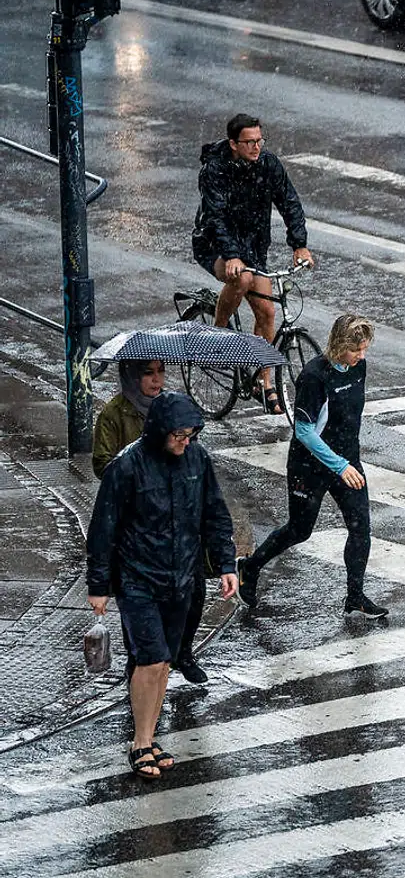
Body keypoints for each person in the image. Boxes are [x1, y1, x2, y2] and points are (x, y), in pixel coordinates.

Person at [87, 393, 238, 781]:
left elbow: (214, 513)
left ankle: (149, 736)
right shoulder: (127, 467)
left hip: (181, 576)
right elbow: (103, 528)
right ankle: (140, 742)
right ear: (160, 431)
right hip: (137, 579)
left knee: (164, 659)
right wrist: (99, 585)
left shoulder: (197, 459)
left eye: (190, 434)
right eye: (179, 435)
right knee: (151, 658)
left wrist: (226, 564)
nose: (185, 441)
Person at [238, 315, 386, 619]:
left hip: (347, 461)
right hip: (310, 465)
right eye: (356, 350)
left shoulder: (359, 367)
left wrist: (347, 461)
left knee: (361, 528)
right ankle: (249, 567)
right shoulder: (314, 377)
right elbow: (304, 432)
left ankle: (355, 596)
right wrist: (339, 465)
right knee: (299, 530)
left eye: (364, 349)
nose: (362, 356)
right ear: (339, 345)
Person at [91, 362, 211, 685]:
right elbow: (101, 463)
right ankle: (141, 665)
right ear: (132, 376)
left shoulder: (174, 411)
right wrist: (137, 467)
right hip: (139, 528)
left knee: (193, 593)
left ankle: (182, 652)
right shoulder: (114, 415)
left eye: (161, 372)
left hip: (178, 527)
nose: (156, 379)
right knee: (141, 611)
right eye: (148, 373)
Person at [191, 113, 314, 415]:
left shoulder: (268, 164)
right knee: (242, 279)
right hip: (214, 244)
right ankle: (217, 334)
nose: (257, 147)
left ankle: (265, 381)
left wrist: (299, 244)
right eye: (249, 142)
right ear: (234, 143)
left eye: (260, 140)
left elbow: (290, 202)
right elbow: (215, 217)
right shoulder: (215, 170)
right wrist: (231, 255)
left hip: (253, 248)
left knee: (267, 312)